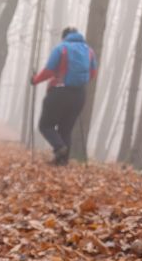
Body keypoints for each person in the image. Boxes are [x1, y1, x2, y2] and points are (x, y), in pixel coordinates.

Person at [30, 27, 97, 165]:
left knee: (45, 125)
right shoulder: (89, 51)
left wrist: (35, 80)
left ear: (64, 36)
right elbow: (93, 73)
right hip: (79, 95)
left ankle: (59, 147)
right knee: (65, 129)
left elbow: (49, 70)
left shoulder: (61, 48)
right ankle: (61, 162)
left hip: (59, 92)